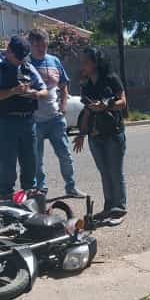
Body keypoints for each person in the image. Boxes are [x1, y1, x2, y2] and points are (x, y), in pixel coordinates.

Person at [0, 35, 48, 199]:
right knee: (8, 161)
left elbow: (44, 91)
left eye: (22, 58)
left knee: (30, 160)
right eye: (17, 57)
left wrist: (33, 93)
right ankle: (6, 194)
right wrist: (13, 92)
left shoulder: (27, 67)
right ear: (9, 51)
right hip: (5, 121)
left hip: (27, 121)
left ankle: (29, 192)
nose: (20, 61)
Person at [28, 28, 86, 198]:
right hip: (34, 120)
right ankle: (40, 190)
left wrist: (63, 103)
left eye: (44, 45)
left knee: (65, 155)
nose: (41, 48)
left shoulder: (54, 61)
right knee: (36, 159)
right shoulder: (25, 63)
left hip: (55, 118)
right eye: (37, 45)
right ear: (30, 45)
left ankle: (71, 187)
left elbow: (63, 84)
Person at [73, 47, 128, 225]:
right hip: (95, 136)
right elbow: (87, 111)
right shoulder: (86, 85)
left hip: (113, 133)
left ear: (95, 63)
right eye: (81, 62)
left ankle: (119, 209)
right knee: (104, 172)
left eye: (85, 62)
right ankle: (109, 207)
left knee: (115, 172)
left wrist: (105, 106)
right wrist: (82, 133)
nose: (82, 65)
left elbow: (123, 103)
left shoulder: (111, 78)